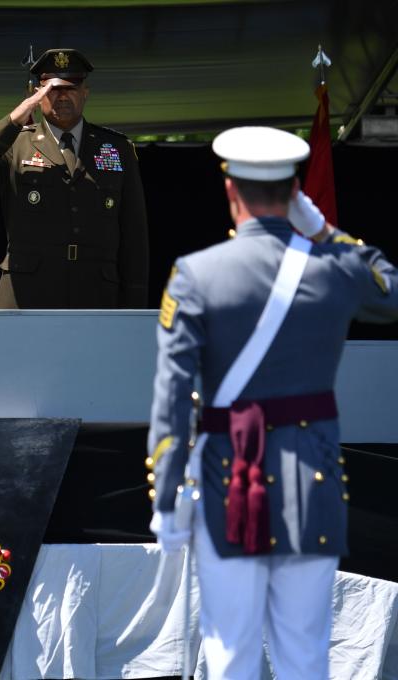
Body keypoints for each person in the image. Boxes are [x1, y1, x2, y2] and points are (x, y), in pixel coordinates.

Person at [146, 126, 398, 679]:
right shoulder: (333, 272)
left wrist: (166, 499)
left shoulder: (195, 275)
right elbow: (390, 290)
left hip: (224, 480)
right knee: (304, 656)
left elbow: (170, 398)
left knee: (228, 654)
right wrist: (324, 229)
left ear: (230, 190)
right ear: (294, 195)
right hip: (311, 483)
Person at [0, 48, 148, 309]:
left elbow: (134, 235)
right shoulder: (16, 143)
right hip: (27, 295)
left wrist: (134, 305)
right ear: (37, 94)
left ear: (85, 93)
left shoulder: (116, 147)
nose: (62, 95)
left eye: (71, 87)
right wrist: (14, 119)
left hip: (95, 294)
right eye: (52, 89)